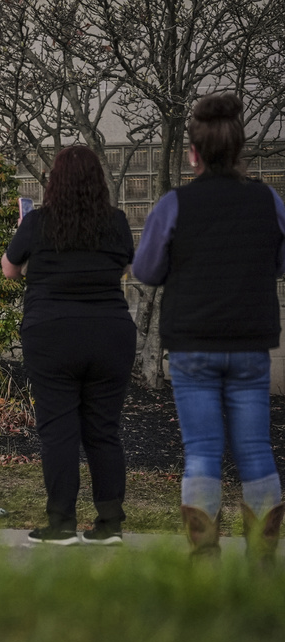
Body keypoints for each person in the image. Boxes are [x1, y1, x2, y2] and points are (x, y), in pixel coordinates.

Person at [134, 93, 285, 562]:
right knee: (256, 450)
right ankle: (262, 561)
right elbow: (280, 262)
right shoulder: (268, 199)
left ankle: (204, 558)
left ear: (192, 153)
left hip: (192, 343)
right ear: (240, 149)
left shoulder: (174, 204)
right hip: (249, 342)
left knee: (201, 452)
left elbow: (146, 269)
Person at [1, 146, 136, 545]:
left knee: (59, 432)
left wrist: (32, 259)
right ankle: (110, 524)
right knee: (104, 431)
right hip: (110, 333)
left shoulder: (38, 222)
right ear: (99, 181)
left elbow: (10, 270)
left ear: (53, 182)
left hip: (52, 334)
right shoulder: (116, 222)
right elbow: (125, 267)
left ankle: (61, 524)